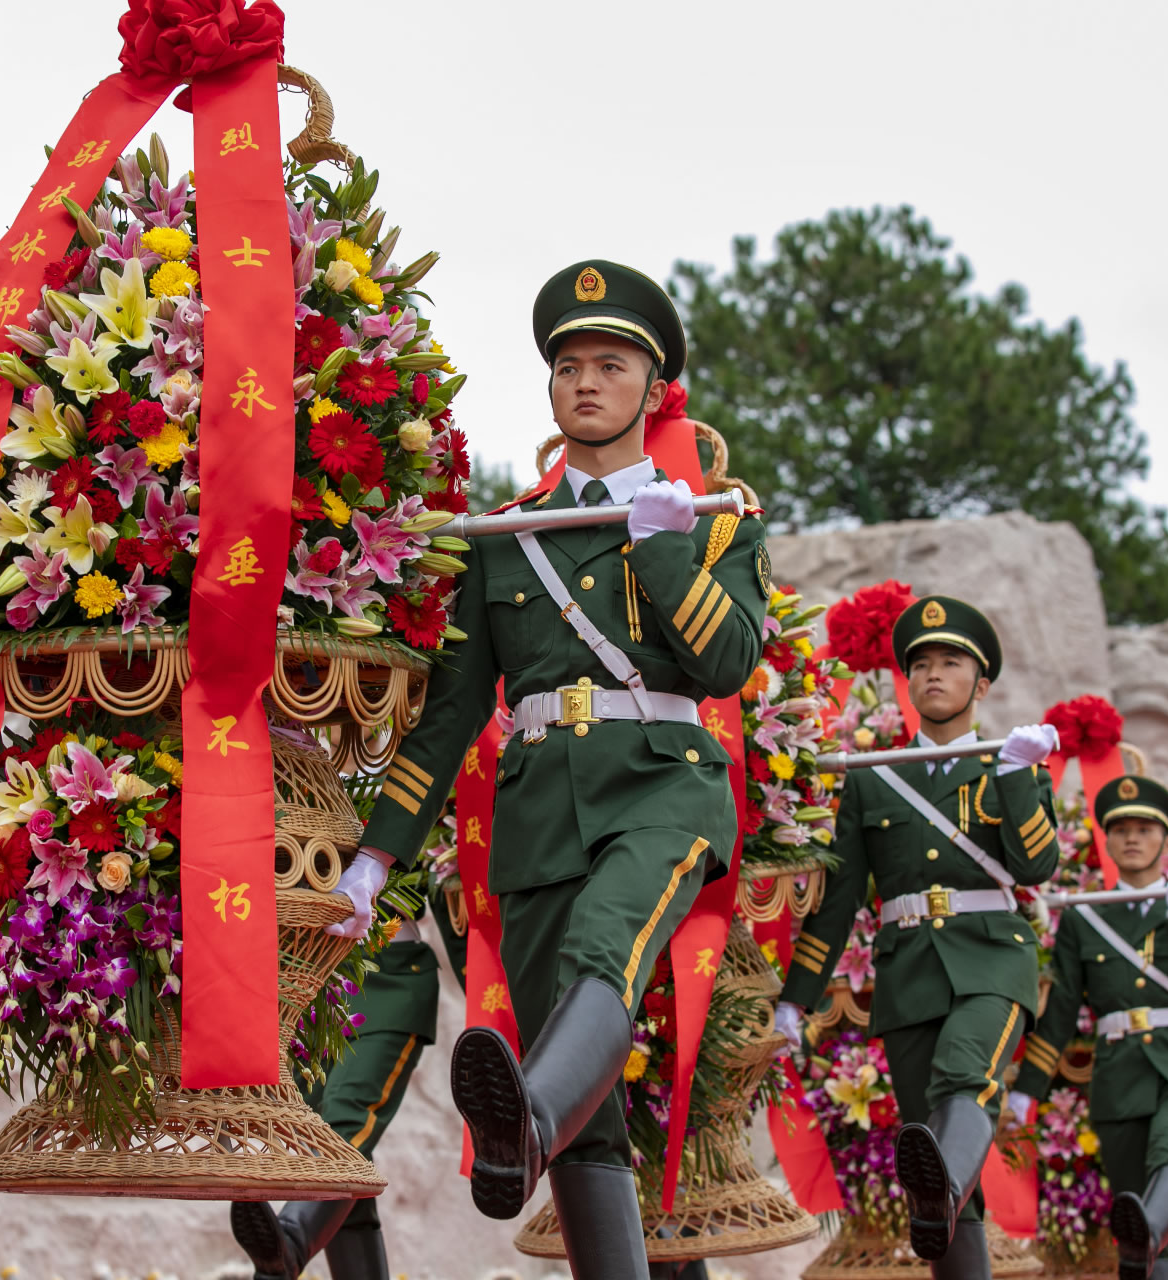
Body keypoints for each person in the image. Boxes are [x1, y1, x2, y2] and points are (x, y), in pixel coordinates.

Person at [325, 259, 772, 1279]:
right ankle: (536, 1121)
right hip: (535, 817)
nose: (585, 382)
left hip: (664, 787)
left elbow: (729, 662)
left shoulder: (712, 517)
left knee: (604, 949)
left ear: (654, 391)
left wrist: (661, 549)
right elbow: (446, 721)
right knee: (591, 1108)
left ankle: (521, 1113)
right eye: (568, 366)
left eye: (610, 365)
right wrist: (376, 856)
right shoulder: (501, 538)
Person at [774, 599, 1060, 1279]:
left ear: (980, 685)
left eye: (951, 663)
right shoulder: (875, 779)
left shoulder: (1009, 762)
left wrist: (1019, 778)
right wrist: (797, 1000)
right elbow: (838, 904)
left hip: (991, 957)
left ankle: (934, 1190)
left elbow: (1037, 866)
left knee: (966, 1078)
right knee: (933, 1146)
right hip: (907, 975)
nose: (933, 675)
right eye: (922, 665)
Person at [1007, 775, 1168, 1280]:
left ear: (1165, 841)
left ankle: (1145, 1239)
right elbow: (1063, 1010)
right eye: (1122, 829)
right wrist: (1027, 1092)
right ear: (1107, 840)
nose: (1132, 838)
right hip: (1119, 1076)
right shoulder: (1087, 917)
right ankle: (1146, 1247)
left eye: (1145, 829)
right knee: (1136, 1207)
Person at [230, 888, 467, 1280]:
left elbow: (451, 877)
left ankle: (291, 1239)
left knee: (343, 1125)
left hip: (387, 974)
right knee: (327, 1157)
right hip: (305, 985)